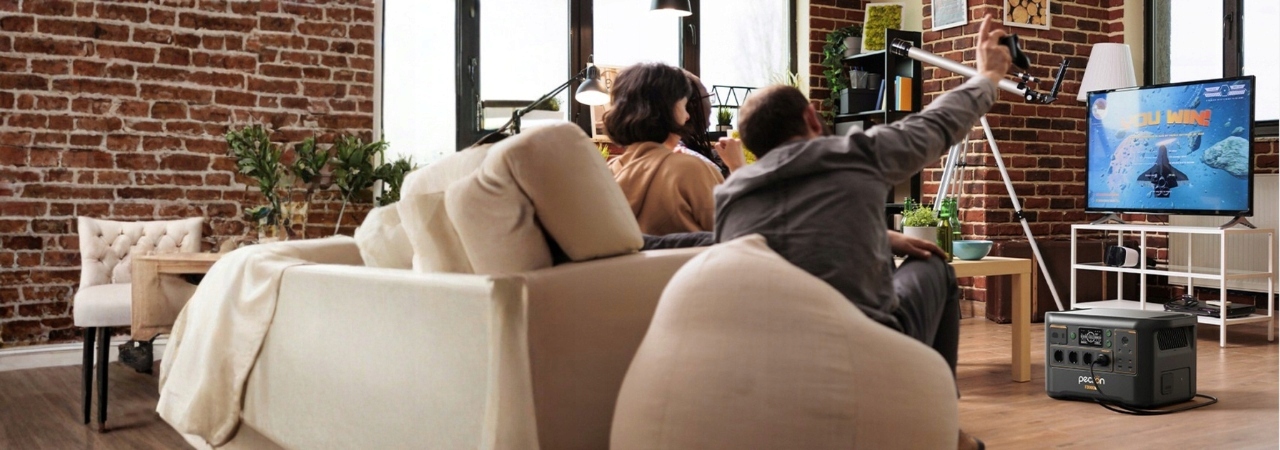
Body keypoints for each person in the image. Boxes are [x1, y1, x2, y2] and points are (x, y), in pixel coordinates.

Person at [714, 15, 1012, 450]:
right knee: (935, 266)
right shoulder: (851, 154)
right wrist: (987, 76)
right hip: (868, 351)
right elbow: (936, 124)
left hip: (769, 358)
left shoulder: (730, 194)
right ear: (811, 117)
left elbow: (787, 235)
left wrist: (883, 236)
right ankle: (941, 424)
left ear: (752, 145)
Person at [606, 62, 724, 235]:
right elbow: (735, 232)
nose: (687, 116)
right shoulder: (691, 169)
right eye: (683, 106)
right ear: (668, 110)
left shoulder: (608, 173)